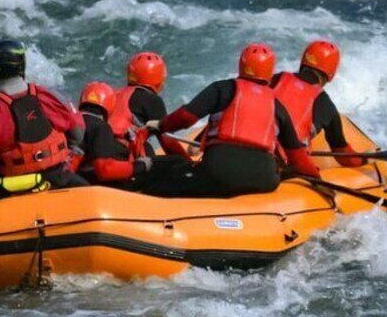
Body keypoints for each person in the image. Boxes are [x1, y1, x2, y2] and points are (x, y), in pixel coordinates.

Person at [142, 43, 320, 198]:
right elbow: (298, 157)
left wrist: (161, 125)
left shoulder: (222, 88)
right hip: (263, 180)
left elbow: (185, 117)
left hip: (219, 172)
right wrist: (317, 179)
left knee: (166, 177)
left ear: (241, 65)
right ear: (270, 71)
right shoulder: (276, 105)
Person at [0, 38, 87, 211]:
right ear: (21, 66)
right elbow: (78, 134)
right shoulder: (53, 96)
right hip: (59, 180)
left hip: (11, 193)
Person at [271, 40, 365, 169]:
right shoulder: (326, 104)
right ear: (331, 74)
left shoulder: (276, 78)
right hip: (284, 166)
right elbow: (343, 156)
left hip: (252, 150)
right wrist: (365, 161)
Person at [108, 51, 186, 158]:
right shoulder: (152, 100)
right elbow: (168, 141)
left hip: (98, 151)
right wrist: (189, 163)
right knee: (147, 148)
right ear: (158, 79)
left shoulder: (114, 94)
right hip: (122, 156)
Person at [77, 81, 153, 186]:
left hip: (66, 174)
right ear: (110, 105)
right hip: (87, 184)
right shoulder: (100, 127)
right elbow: (105, 171)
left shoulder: (71, 119)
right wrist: (141, 165)